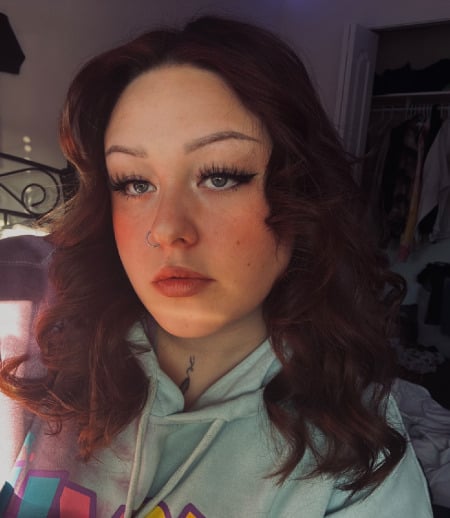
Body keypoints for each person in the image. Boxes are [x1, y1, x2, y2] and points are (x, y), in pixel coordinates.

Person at [0, 15, 433, 518]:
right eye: (135, 183)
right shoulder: (34, 336)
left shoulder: (357, 453)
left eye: (221, 176)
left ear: (301, 194)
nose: (166, 229)